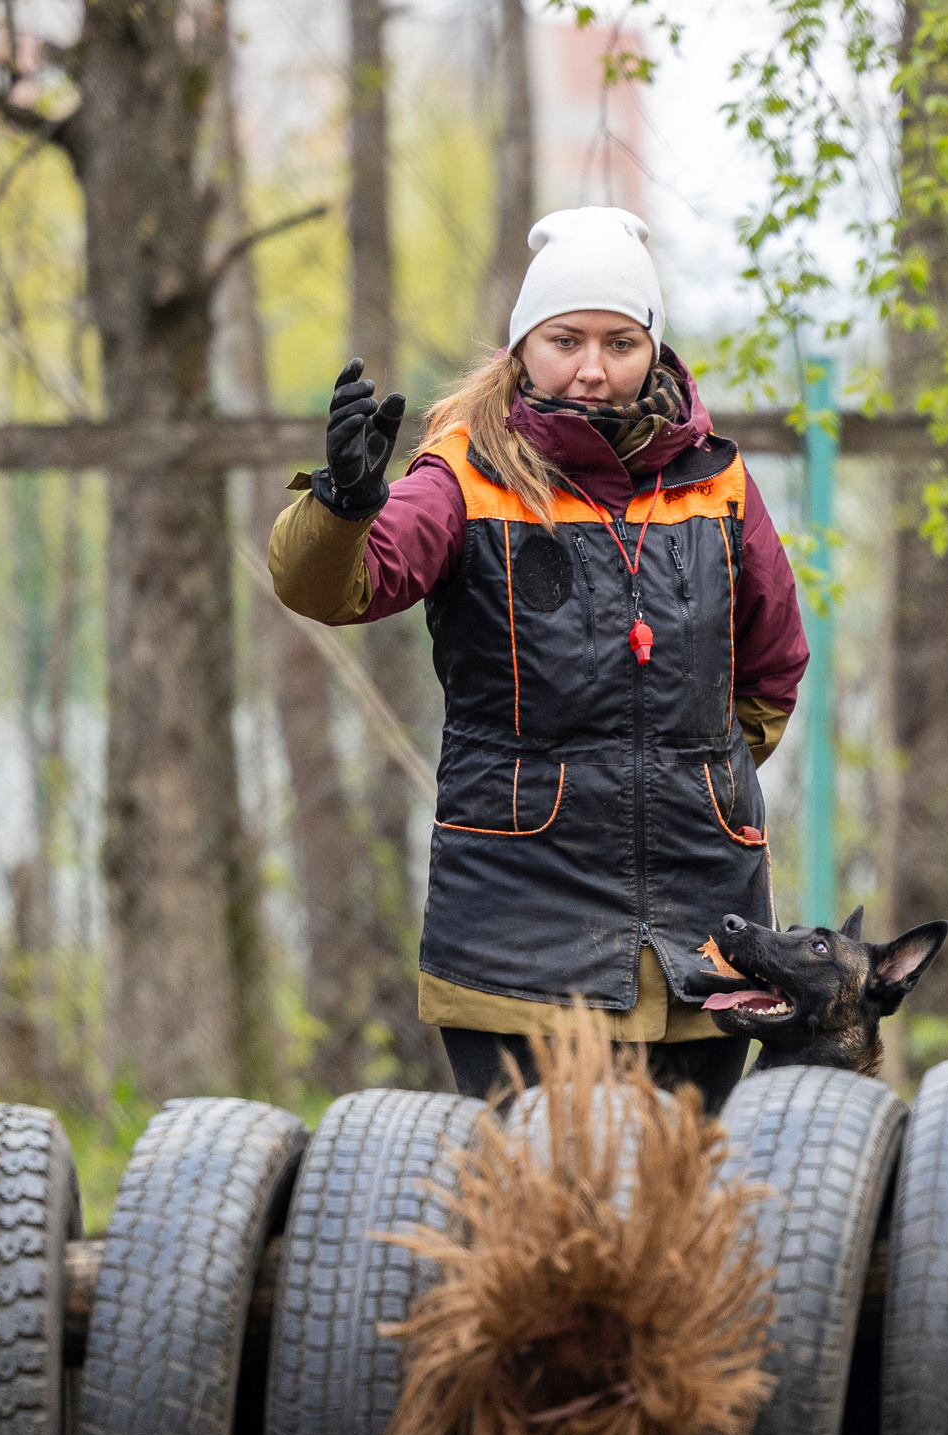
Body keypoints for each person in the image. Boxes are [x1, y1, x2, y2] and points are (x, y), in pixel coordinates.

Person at [267, 206, 809, 1110]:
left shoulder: (717, 480)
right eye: (565, 339)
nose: (592, 368)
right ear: (523, 347)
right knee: (537, 1217)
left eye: (620, 342)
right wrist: (343, 505)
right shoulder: (466, 473)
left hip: (701, 934)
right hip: (515, 933)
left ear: (654, 350)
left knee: (683, 1205)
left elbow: (772, 661)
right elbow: (333, 587)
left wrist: (696, 779)